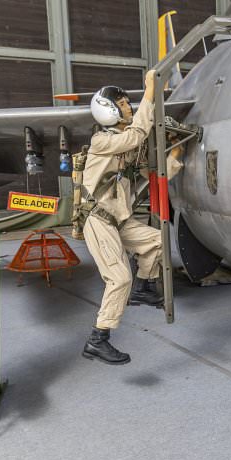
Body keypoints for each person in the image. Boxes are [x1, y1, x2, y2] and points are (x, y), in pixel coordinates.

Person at [80, 70, 165, 365]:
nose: (130, 108)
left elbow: (146, 170)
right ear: (110, 110)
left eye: (130, 104)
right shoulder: (102, 142)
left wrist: (175, 155)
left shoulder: (124, 145)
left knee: (158, 240)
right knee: (118, 278)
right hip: (99, 220)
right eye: (125, 104)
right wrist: (151, 92)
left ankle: (145, 287)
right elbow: (138, 134)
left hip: (118, 220)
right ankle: (97, 340)